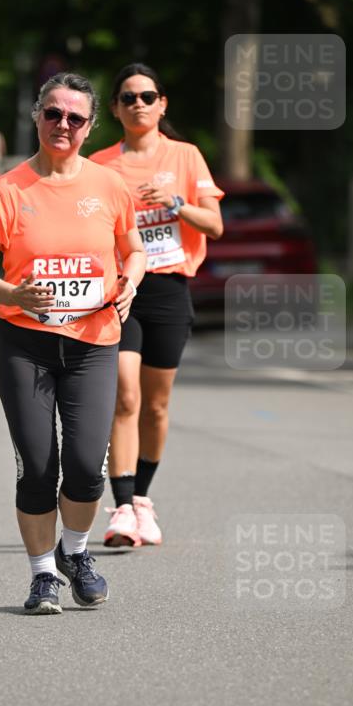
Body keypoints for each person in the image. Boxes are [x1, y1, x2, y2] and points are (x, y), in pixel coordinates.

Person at [0, 72, 146, 615]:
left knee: (88, 465)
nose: (62, 124)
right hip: (25, 343)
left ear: (90, 127)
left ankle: (77, 551)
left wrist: (131, 283)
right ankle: (43, 573)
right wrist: (13, 292)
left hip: (94, 341)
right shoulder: (9, 188)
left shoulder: (109, 185)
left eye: (74, 117)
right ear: (37, 117)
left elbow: (134, 250)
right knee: (39, 467)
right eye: (52, 113)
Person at [90, 63, 224, 548]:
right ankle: (122, 508)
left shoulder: (185, 156)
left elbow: (214, 225)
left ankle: (143, 499)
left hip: (169, 288)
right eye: (128, 98)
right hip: (122, 288)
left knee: (156, 405)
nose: (139, 105)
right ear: (115, 109)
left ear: (162, 104)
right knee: (125, 397)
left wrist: (174, 203)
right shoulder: (101, 165)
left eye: (147, 96)